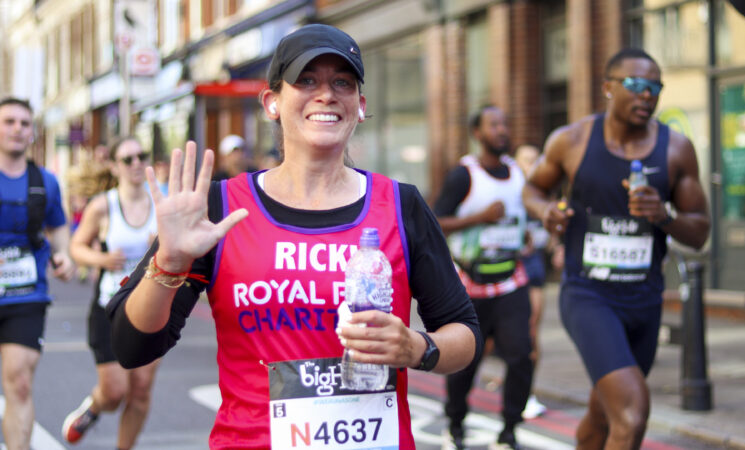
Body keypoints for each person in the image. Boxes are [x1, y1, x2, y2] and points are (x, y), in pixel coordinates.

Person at [106, 24, 480, 449]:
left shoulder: (401, 206)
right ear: (272, 102)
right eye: (306, 80)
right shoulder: (220, 208)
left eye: (342, 82)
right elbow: (131, 347)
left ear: (360, 106)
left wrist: (418, 347)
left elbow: (465, 333)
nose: (326, 94)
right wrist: (168, 263)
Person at [523, 48, 710, 449]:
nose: (647, 95)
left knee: (604, 413)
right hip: (589, 295)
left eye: (655, 88)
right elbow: (534, 188)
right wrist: (545, 212)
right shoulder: (570, 141)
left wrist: (663, 216)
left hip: (644, 300)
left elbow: (700, 232)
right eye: (636, 85)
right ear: (608, 87)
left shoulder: (676, 150)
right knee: (631, 410)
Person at [434, 105, 532, 450]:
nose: (502, 130)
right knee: (466, 361)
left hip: (510, 280)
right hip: (471, 285)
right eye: (494, 125)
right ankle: (455, 424)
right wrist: (480, 218)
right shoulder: (464, 174)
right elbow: (436, 221)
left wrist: (528, 236)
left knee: (522, 355)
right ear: (478, 133)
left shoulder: (519, 172)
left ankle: (509, 431)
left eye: (505, 124)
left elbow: (522, 218)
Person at [62, 137, 160, 448]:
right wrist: (102, 259)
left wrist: (163, 245)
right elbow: (76, 248)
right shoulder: (103, 206)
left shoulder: (162, 201)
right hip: (110, 308)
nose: (135, 163)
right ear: (116, 166)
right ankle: (94, 406)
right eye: (127, 159)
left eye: (140, 156)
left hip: (152, 309)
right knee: (116, 392)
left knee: (141, 390)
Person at [0, 97, 75, 450]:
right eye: (9, 121)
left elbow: (58, 230)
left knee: (19, 383)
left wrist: (64, 257)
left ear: (32, 132)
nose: (17, 129)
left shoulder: (45, 182)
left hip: (25, 294)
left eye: (24, 123)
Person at [514, 144, 561, 419]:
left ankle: (528, 393)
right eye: (527, 160)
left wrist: (556, 246)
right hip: (506, 265)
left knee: (531, 330)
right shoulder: (508, 187)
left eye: (536, 160)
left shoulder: (543, 189)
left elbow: (553, 222)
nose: (532, 165)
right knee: (494, 339)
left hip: (533, 265)